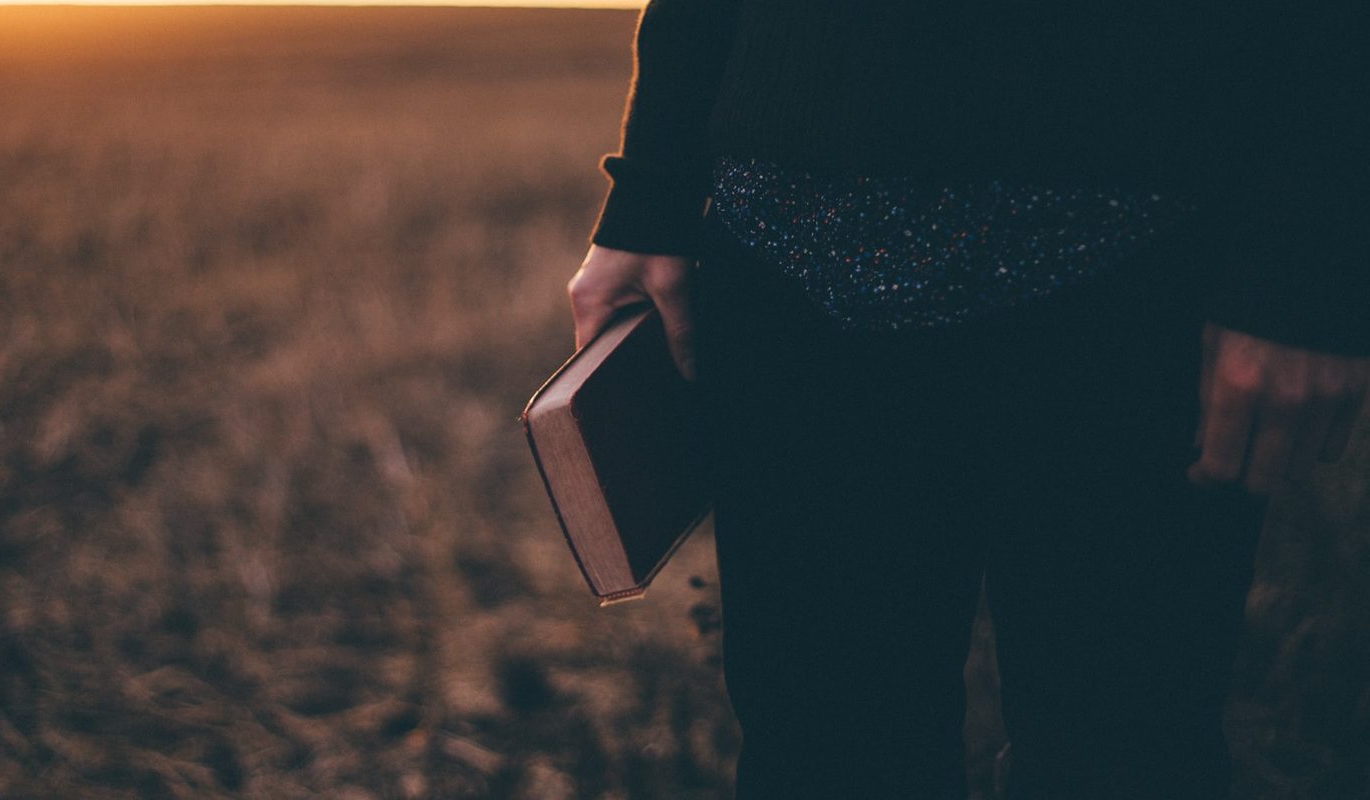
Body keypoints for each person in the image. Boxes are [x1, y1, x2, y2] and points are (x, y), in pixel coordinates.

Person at [565, 2, 1369, 798]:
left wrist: (1307, 262)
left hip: (1137, 275)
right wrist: (652, 189)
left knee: (1122, 756)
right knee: (822, 759)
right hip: (785, 261)